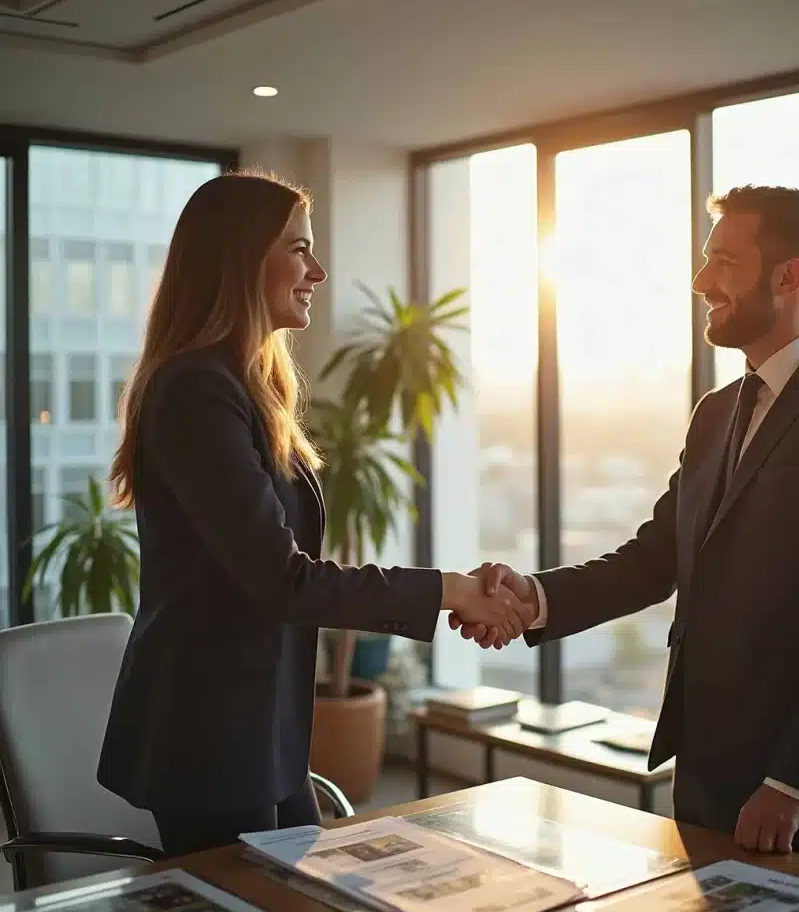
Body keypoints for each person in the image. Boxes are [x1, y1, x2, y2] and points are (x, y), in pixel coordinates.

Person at [454, 186, 799, 862]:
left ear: (788, 276)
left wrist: (792, 785)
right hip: (701, 762)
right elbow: (655, 559)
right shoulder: (716, 410)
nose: (703, 282)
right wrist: (536, 598)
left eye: (724, 262)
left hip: (785, 783)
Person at [97, 170, 530, 857]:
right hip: (210, 737)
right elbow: (285, 580)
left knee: (301, 908)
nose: (317, 270)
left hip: (259, 728)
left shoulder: (243, 386)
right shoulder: (195, 392)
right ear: (241, 260)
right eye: (299, 249)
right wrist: (452, 589)